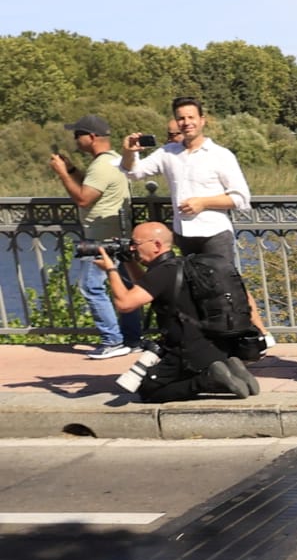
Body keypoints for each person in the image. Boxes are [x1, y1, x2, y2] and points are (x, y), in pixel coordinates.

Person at [120, 96, 268, 336]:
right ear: (176, 122)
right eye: (181, 118)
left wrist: (204, 203)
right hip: (184, 234)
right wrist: (129, 152)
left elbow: (241, 198)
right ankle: (209, 339)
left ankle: (257, 335)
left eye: (191, 117)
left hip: (214, 233)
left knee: (228, 287)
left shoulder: (220, 155)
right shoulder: (168, 153)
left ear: (202, 121)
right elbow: (134, 172)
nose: (186, 122)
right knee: (194, 289)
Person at [94, 221, 257, 402]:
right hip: (215, 346)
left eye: (136, 244)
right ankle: (230, 370)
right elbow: (145, 287)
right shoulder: (179, 265)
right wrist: (129, 261)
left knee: (148, 391)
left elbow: (125, 304)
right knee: (180, 377)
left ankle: (208, 380)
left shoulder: (162, 273)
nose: (132, 248)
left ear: (156, 245)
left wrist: (111, 269)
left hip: (185, 353)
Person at [51, 114, 139, 359]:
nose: (75, 140)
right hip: (118, 236)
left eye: (77, 135)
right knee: (124, 287)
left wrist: (62, 174)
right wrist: (71, 169)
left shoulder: (100, 166)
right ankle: (132, 339)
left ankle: (112, 340)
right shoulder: (113, 161)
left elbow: (83, 198)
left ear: (91, 137)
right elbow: (93, 188)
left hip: (102, 239)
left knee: (91, 287)